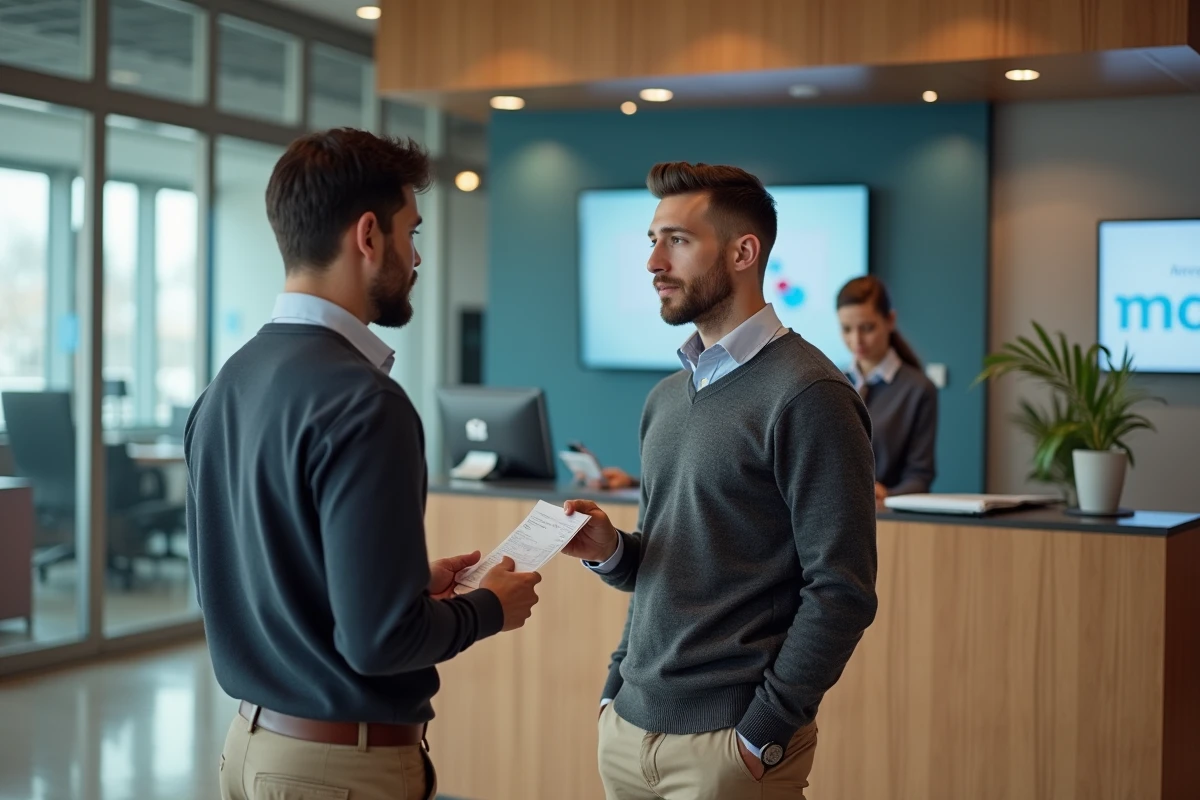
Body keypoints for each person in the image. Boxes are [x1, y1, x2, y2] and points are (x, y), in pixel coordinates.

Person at [185, 129, 542, 800]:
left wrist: (406, 582)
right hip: (335, 770)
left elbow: (247, 583)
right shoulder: (365, 401)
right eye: (413, 231)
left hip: (249, 751)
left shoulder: (228, 383)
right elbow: (380, 643)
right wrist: (490, 609)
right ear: (368, 235)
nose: (417, 257)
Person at [562, 162, 878, 799]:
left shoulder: (809, 394)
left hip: (728, 743)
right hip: (630, 727)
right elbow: (677, 562)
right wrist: (613, 556)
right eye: (651, 240)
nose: (654, 262)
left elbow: (842, 590)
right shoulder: (666, 398)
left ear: (743, 251)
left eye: (676, 240)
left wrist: (764, 729)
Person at [836, 275, 939, 501]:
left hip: (887, 520)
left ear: (890, 320)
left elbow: (919, 477)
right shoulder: (832, 381)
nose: (857, 340)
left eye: (867, 328)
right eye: (847, 329)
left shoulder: (918, 389)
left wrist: (886, 494)